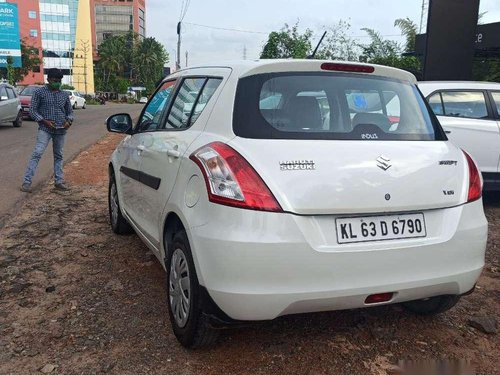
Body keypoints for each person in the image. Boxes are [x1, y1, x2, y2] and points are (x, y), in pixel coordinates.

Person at [20, 68, 73, 192]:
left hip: (61, 130)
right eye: (55, 80)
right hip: (45, 129)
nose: (57, 83)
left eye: (59, 80)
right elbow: (33, 111)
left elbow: (70, 112)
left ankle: (58, 181)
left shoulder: (64, 94)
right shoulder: (39, 93)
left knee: (59, 155)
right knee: (37, 153)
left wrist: (68, 122)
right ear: (48, 79)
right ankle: (26, 182)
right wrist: (44, 121)